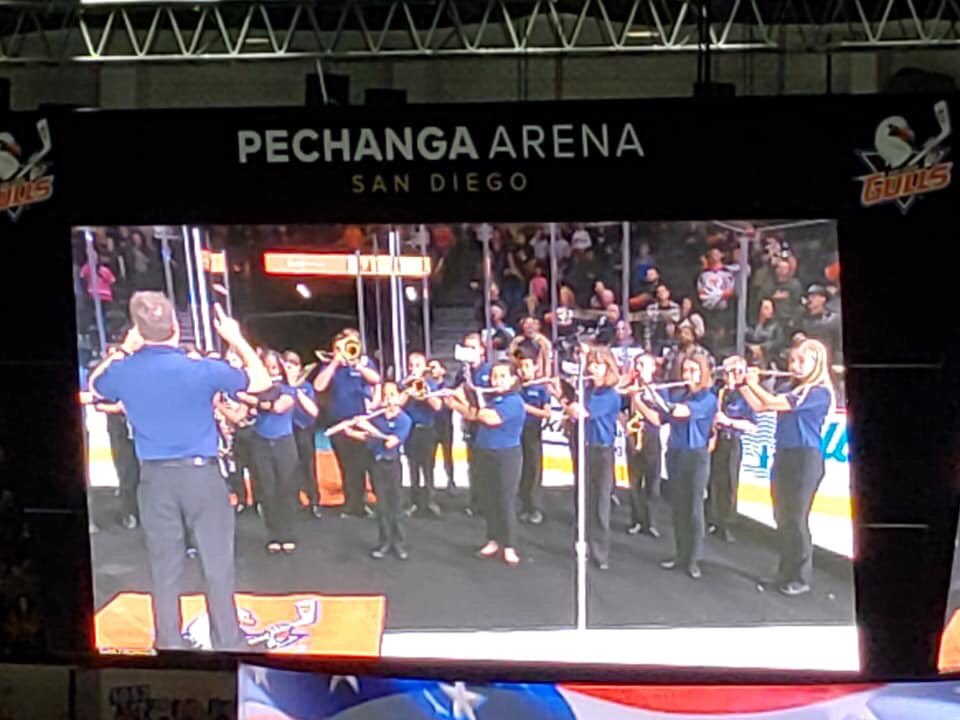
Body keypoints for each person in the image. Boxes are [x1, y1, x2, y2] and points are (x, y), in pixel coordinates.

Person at [88, 292, 270, 650]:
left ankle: (169, 642)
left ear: (138, 330)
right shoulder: (199, 368)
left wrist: (125, 349)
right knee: (216, 564)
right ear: (176, 328)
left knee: (164, 566)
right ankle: (227, 640)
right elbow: (261, 383)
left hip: (154, 480)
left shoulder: (125, 370)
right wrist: (236, 339)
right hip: (201, 477)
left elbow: (95, 385)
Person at [740, 338, 834, 596]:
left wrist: (752, 383)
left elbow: (772, 402)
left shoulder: (818, 392)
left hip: (805, 459)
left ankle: (801, 576)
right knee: (781, 517)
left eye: (802, 361)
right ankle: (785, 571)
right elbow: (760, 406)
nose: (795, 366)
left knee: (796, 518)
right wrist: (741, 385)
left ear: (817, 363)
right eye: (793, 360)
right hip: (784, 455)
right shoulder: (792, 388)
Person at [634, 352, 717, 580]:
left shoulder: (707, 399)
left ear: (703, 373)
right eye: (686, 370)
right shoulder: (681, 394)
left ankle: (693, 559)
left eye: (693, 371)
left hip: (696, 455)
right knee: (678, 507)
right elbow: (657, 420)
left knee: (694, 508)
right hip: (675, 453)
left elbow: (678, 412)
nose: (687, 375)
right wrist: (638, 401)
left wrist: (649, 389)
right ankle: (680, 555)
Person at [446, 362, 526, 566]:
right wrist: (456, 404)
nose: (496, 380)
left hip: (506, 455)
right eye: (494, 376)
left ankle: (509, 545)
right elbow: (474, 414)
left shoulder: (514, 401)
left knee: (505, 501)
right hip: (485, 452)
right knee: (489, 499)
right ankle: (493, 539)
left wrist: (465, 403)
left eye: (501, 376)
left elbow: (488, 418)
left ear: (513, 380)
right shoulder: (491, 398)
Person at [563, 347, 621, 570]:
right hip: (583, 446)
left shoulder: (609, 395)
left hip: (601, 450)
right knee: (582, 497)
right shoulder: (588, 390)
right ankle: (582, 543)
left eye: (598, 365)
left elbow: (582, 413)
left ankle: (600, 551)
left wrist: (569, 404)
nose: (593, 369)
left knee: (600, 502)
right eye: (591, 365)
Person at [313, 330, 381, 517]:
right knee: (345, 464)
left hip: (360, 420)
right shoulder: (330, 366)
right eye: (340, 346)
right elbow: (319, 385)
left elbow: (376, 379)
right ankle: (352, 504)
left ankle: (362, 502)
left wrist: (357, 365)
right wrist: (335, 362)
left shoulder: (364, 363)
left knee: (361, 463)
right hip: (337, 421)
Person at [345, 382, 413, 560]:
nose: (388, 399)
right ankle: (384, 542)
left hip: (392, 464)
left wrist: (370, 428)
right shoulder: (377, 417)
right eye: (385, 395)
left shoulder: (404, 419)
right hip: (376, 464)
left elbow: (391, 442)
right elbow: (365, 437)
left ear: (398, 397)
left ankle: (399, 543)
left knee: (396, 504)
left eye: (392, 395)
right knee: (381, 506)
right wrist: (350, 431)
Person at [243, 352, 299, 555]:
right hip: (261, 442)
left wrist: (255, 402)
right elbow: (244, 410)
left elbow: (279, 407)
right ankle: (273, 535)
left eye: (274, 367)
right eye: (267, 367)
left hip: (284, 442)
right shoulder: (258, 389)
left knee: (286, 488)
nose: (271, 371)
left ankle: (288, 534)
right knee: (267, 490)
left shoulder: (288, 389)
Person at [706, 356, 758, 543]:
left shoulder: (745, 395)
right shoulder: (717, 391)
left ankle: (726, 523)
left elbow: (753, 425)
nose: (732, 376)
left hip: (732, 440)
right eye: (728, 372)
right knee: (712, 480)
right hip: (714, 439)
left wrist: (729, 422)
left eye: (736, 372)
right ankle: (711, 518)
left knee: (729, 483)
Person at [623, 354, 663, 538]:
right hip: (633, 435)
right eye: (636, 364)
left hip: (651, 437)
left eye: (642, 364)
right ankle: (636, 520)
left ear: (653, 368)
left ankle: (652, 521)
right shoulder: (629, 387)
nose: (638, 367)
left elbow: (660, 416)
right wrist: (625, 423)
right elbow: (619, 408)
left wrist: (640, 400)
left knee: (652, 481)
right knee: (634, 481)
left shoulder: (659, 389)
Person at [453, 333, 492, 517]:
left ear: (482, 350)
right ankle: (476, 502)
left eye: (473, 348)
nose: (469, 352)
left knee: (488, 465)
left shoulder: (490, 370)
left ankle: (489, 502)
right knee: (474, 464)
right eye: (466, 348)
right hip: (471, 424)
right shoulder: (463, 372)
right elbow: (455, 392)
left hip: (488, 424)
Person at [400, 352, 443, 517]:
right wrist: (408, 390)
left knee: (428, 467)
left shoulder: (431, 383)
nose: (413, 369)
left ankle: (431, 502)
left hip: (427, 429)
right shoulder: (404, 384)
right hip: (410, 430)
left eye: (417, 365)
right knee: (413, 467)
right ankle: (413, 502)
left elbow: (438, 406)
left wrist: (425, 392)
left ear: (424, 367)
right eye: (411, 365)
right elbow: (398, 404)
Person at [283, 351, 321, 519]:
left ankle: (314, 501)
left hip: (304, 428)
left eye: (293, 366)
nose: (290, 370)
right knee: (290, 466)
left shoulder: (306, 387)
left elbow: (313, 411)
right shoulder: (280, 387)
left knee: (308, 465)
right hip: (287, 429)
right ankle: (294, 500)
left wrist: (296, 391)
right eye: (287, 366)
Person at [516, 354, 551, 525]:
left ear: (535, 367)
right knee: (520, 471)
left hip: (532, 433)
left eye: (527, 366)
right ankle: (524, 506)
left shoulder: (541, 389)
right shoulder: (515, 388)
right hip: (515, 433)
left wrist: (526, 407)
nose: (524, 370)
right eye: (521, 367)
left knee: (534, 471)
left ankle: (536, 508)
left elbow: (546, 413)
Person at [428, 359, 456, 493]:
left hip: (445, 423)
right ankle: (430, 484)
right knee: (430, 457)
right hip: (432, 423)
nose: (431, 370)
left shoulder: (448, 385)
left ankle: (451, 481)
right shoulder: (426, 385)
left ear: (443, 370)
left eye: (434, 367)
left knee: (448, 455)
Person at [799, 285, 843, 363]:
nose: (809, 299)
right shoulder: (802, 319)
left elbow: (838, 343)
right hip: (808, 357)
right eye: (808, 297)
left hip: (829, 358)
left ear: (823, 299)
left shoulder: (833, 319)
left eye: (813, 296)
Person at [644, 284, 681, 356]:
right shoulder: (651, 308)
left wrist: (661, 316)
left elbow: (676, 319)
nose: (661, 293)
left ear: (668, 293)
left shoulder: (675, 306)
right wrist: (647, 343)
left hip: (671, 339)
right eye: (659, 292)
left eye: (663, 291)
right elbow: (648, 326)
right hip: (656, 337)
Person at [745, 297, 785, 364]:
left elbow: (778, 341)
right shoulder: (750, 324)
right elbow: (741, 338)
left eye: (771, 308)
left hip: (768, 355)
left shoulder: (776, 325)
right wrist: (750, 347)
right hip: (749, 353)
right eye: (766, 308)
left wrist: (761, 347)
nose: (770, 311)